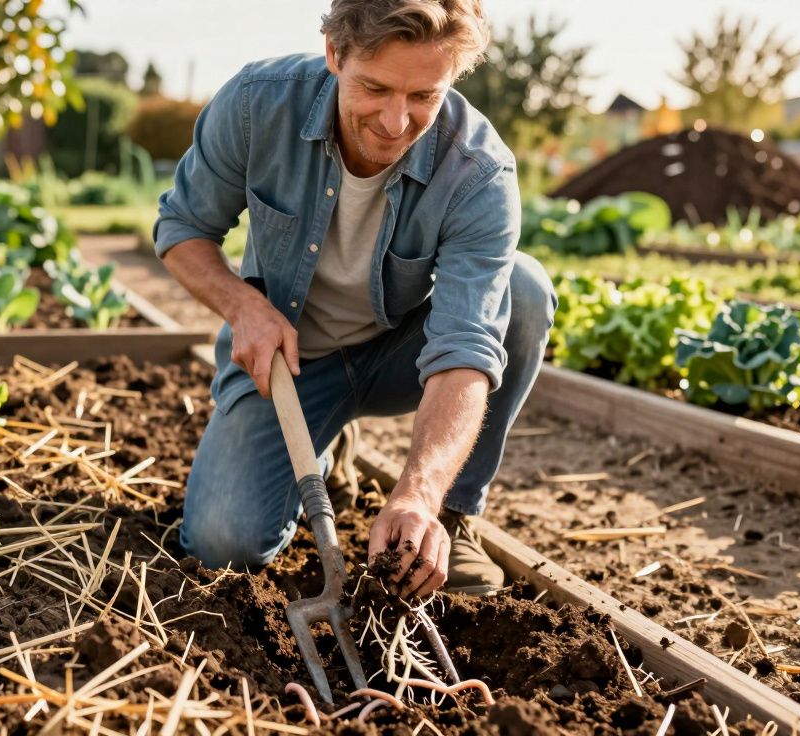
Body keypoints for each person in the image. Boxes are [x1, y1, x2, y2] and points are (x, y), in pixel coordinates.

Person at [153, 0, 556, 600]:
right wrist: (243, 306)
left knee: (522, 292)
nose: (396, 121)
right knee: (223, 545)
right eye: (375, 88)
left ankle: (451, 519)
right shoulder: (255, 105)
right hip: (289, 365)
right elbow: (181, 228)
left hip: (400, 355)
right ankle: (329, 437)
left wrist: (419, 490)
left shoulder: (477, 172)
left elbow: (466, 350)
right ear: (335, 55)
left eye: (424, 96)